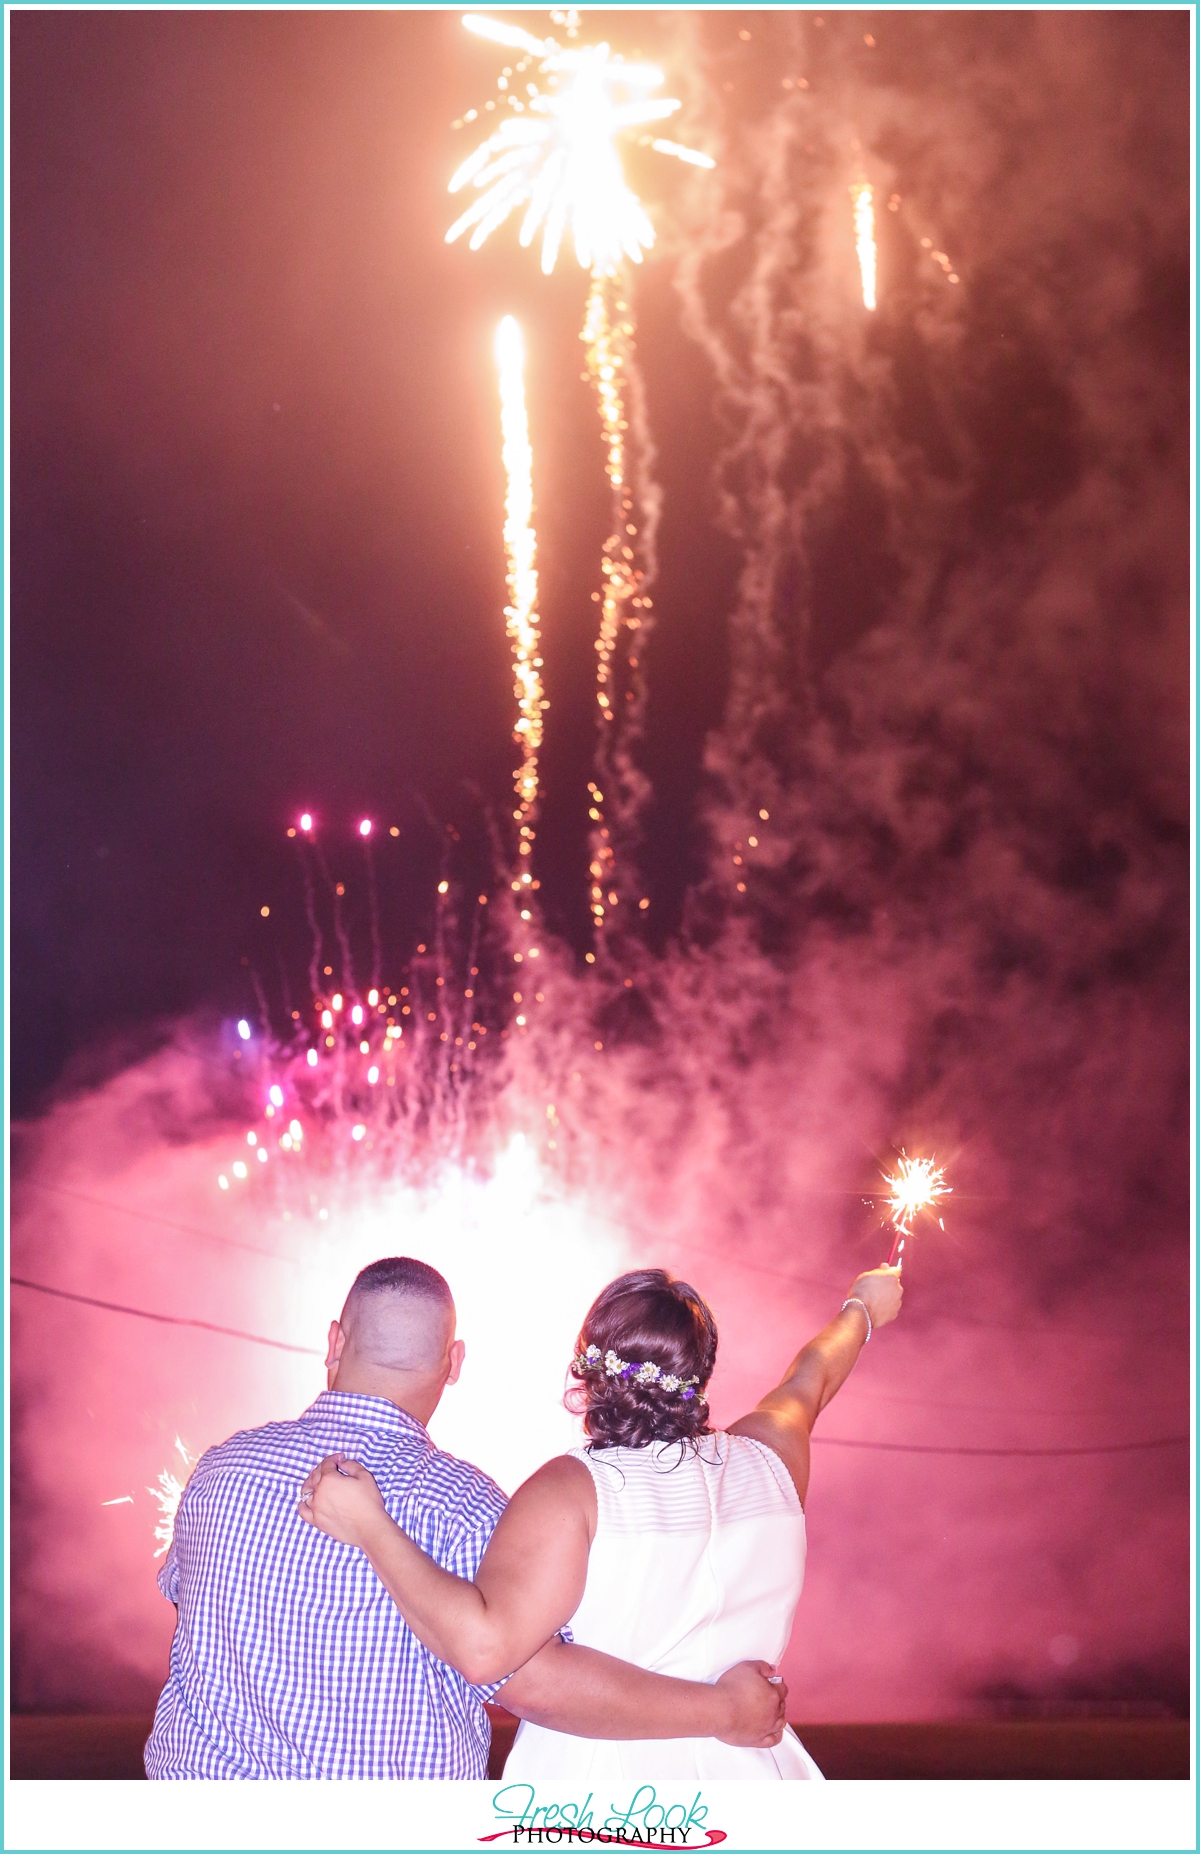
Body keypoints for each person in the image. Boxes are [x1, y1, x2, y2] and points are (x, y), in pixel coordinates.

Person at [144, 1256, 787, 1779]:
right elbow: (540, 1686)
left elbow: (189, 1612)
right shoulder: (468, 1509)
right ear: (454, 1364)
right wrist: (725, 1710)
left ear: (335, 1341)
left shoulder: (219, 1473)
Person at [301, 1260, 903, 1780]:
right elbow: (813, 1375)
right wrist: (862, 1309)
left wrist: (372, 1528)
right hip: (754, 1771)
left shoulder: (568, 1492)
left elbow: (488, 1653)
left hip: (600, 1794)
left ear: (587, 1368)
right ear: (700, 1371)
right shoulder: (774, 1456)